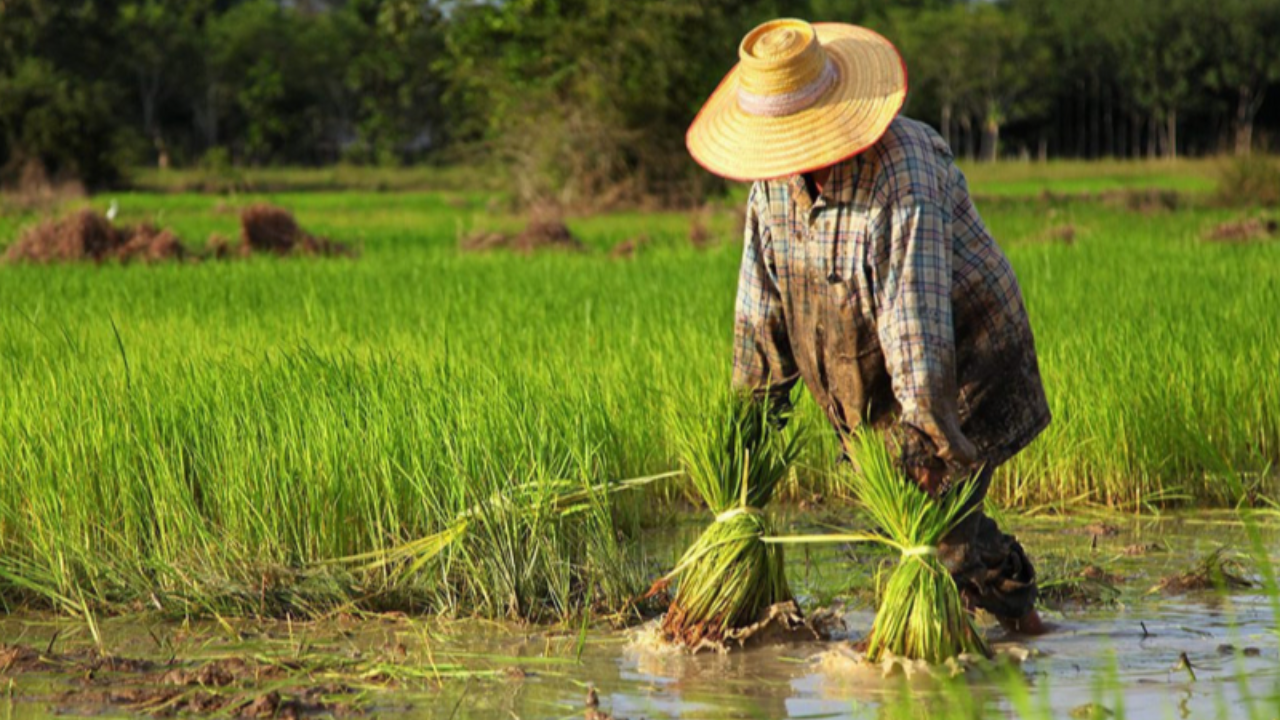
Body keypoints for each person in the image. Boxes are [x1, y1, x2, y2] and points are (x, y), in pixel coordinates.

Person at [685, 18, 1051, 634]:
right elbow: (759, 321)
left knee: (940, 531)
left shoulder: (901, 173)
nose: (790, 155)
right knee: (919, 519)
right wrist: (744, 450)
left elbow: (919, 332)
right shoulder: (771, 193)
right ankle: (988, 603)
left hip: (965, 357)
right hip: (866, 367)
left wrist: (926, 442)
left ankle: (1021, 629)